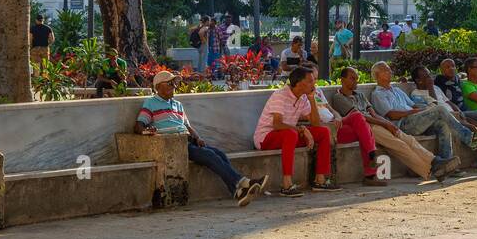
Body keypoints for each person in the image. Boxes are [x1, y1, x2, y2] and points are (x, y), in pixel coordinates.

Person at [137, 69, 266, 206]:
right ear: (158, 87)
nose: (173, 86)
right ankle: (243, 182)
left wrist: (197, 137)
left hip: (188, 140)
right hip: (174, 144)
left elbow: (187, 126)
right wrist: (146, 131)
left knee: (220, 154)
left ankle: (237, 191)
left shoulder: (177, 104)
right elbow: (138, 125)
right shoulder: (151, 103)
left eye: (174, 83)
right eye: (169, 83)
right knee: (209, 155)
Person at [328, 67, 436, 180]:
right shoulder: (338, 97)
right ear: (342, 80)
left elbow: (374, 114)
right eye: (352, 78)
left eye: (357, 78)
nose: (356, 81)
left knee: (408, 139)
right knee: (399, 145)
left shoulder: (360, 95)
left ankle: (434, 161)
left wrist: (387, 123)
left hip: (377, 123)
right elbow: (361, 117)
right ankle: (428, 170)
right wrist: (385, 124)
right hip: (365, 127)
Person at [368, 62, 466, 179]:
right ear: (377, 75)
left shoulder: (397, 90)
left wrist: (423, 110)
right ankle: (467, 136)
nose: (390, 72)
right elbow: (392, 115)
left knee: (442, 124)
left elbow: (414, 106)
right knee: (439, 109)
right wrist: (414, 112)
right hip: (403, 124)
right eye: (386, 70)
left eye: (390, 69)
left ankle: (444, 167)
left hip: (415, 120)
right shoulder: (377, 94)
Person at [254, 66, 339, 196]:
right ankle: (286, 184)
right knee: (291, 134)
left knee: (323, 132)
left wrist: (311, 99)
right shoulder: (280, 95)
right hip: (266, 138)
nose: (314, 84)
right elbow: (277, 124)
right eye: (310, 81)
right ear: (299, 83)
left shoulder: (304, 98)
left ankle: (320, 180)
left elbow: (315, 123)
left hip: (289, 135)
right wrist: (301, 129)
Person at [412, 65, 477, 170]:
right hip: (443, 119)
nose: (430, 78)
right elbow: (434, 108)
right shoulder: (416, 94)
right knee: (473, 129)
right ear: (418, 80)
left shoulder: (436, 88)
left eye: (429, 74)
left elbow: (448, 102)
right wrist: (430, 88)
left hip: (456, 115)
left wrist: (459, 112)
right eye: (426, 76)